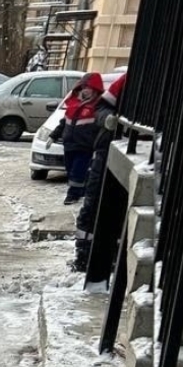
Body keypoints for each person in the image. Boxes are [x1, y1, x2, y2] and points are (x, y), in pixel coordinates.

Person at [71, 73, 126, 272]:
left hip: (143, 152)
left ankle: (115, 258)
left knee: (121, 211)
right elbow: (101, 107)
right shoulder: (130, 78)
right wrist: (108, 120)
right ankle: (83, 255)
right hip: (107, 149)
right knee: (93, 204)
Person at [51, 72, 105, 206]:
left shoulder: (97, 107)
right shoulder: (73, 104)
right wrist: (53, 135)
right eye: (83, 87)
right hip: (69, 144)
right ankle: (81, 190)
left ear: (95, 89)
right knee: (70, 170)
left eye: (88, 87)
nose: (85, 90)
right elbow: (64, 123)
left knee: (77, 171)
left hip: (84, 146)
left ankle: (72, 195)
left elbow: (100, 125)